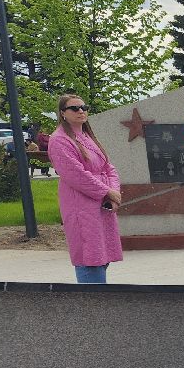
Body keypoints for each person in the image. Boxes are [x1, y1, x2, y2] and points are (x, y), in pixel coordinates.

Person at [49, 93, 123, 284]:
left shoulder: (87, 137)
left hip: (100, 205)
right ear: (63, 113)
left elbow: (108, 167)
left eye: (84, 107)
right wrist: (107, 191)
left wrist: (113, 194)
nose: (81, 111)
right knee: (89, 258)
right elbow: (76, 175)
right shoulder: (59, 140)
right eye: (74, 108)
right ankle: (91, 299)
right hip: (80, 206)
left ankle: (99, 296)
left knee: (102, 256)